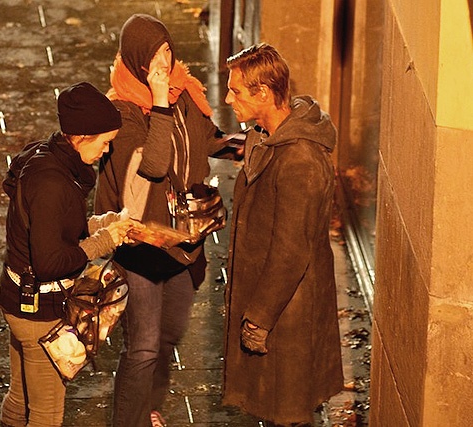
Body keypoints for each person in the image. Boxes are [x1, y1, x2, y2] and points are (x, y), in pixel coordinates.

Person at [94, 13, 235, 427]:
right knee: (143, 347)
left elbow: (206, 138)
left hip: (182, 239)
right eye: (154, 56)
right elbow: (154, 165)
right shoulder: (120, 112)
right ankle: (130, 421)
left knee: (170, 332)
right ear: (137, 60)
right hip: (140, 243)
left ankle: (148, 405)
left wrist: (248, 144)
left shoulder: (183, 92)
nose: (164, 62)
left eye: (168, 51)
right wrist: (158, 102)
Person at [0, 81, 137, 427]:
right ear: (82, 136)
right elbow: (50, 263)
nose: (106, 150)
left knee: (21, 398)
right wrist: (104, 241)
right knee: (46, 414)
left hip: (19, 299)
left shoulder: (45, 157)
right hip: (39, 314)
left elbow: (51, 227)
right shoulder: (52, 183)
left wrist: (101, 224)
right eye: (104, 142)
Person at [222, 43, 344, 427]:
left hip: (287, 314)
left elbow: (291, 252)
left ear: (263, 93)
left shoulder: (299, 161)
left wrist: (259, 318)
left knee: (289, 413)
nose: (228, 99)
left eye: (235, 91)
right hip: (276, 304)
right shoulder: (267, 137)